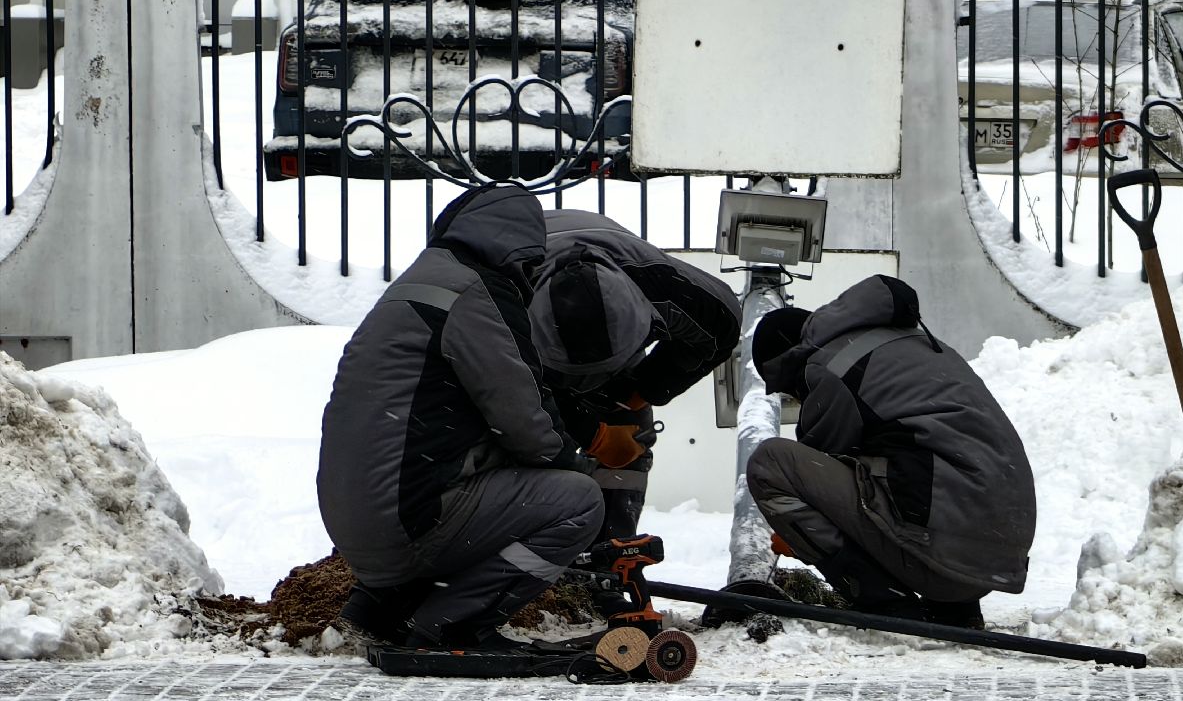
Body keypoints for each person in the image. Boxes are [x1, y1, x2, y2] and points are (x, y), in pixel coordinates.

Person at [316, 185, 602, 651]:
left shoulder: (420, 283)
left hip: (360, 527)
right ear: (523, 246)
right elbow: (524, 420)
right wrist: (577, 460)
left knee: (459, 459)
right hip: (406, 524)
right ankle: (453, 623)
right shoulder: (477, 290)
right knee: (579, 503)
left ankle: (381, 605)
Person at [742, 274, 1036, 628]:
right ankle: (955, 607)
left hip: (948, 553)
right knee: (910, 460)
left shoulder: (829, 366)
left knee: (770, 463)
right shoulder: (913, 344)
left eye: (791, 391)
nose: (797, 398)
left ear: (788, 363)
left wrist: (802, 536)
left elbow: (817, 468)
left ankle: (882, 602)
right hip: (998, 550)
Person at [526, 209, 743, 554]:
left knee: (630, 441)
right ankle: (539, 556)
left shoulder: (665, 288)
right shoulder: (500, 306)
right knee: (529, 445)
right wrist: (591, 434)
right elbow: (507, 392)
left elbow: (721, 328)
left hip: (611, 300)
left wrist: (642, 391)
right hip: (530, 352)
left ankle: (610, 556)